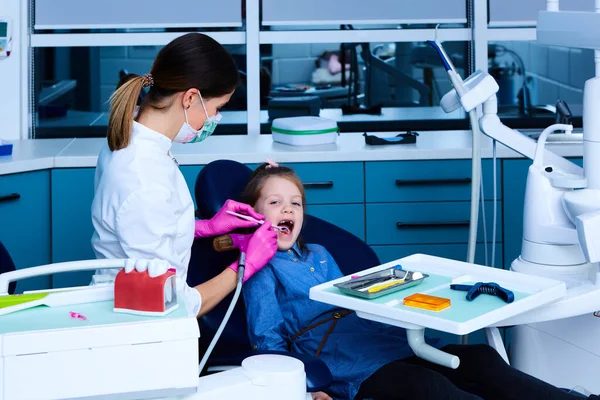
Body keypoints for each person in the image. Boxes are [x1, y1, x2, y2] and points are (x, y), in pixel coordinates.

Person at [241, 161, 600, 400]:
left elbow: (350, 302)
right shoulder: (259, 268)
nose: (288, 209)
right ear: (253, 214)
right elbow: (267, 342)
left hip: (383, 340)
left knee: (479, 360)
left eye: (296, 203)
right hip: (344, 362)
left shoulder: (318, 252)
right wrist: (306, 388)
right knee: (429, 387)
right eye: (275, 202)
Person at [90, 32, 278, 318]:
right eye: (217, 108)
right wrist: (246, 265)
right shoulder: (142, 177)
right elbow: (173, 302)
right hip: (136, 321)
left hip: (132, 306)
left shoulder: (136, 137)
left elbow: (144, 230)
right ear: (190, 97)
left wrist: (206, 226)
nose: (215, 119)